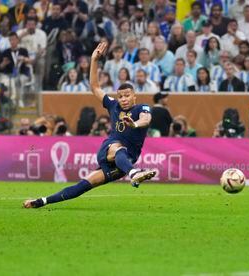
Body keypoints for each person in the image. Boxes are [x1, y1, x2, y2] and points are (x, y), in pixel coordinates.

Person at [23, 42, 156, 209]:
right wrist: (94, 60)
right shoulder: (113, 105)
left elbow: (146, 119)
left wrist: (135, 124)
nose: (123, 99)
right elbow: (94, 87)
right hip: (109, 149)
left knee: (84, 185)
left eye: (127, 96)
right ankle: (135, 173)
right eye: (120, 96)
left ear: (134, 96)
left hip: (125, 163)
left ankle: (41, 201)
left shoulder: (141, 108)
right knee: (118, 147)